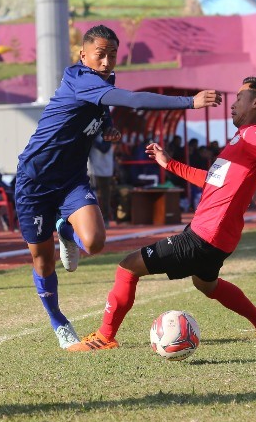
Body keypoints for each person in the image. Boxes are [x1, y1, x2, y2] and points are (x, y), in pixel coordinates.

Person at [67, 77, 256, 352]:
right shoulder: (242, 138)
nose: (233, 104)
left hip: (205, 236)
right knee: (206, 284)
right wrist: (169, 163)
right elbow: (212, 180)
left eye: (239, 98)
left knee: (128, 267)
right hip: (217, 238)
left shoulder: (255, 136)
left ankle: (104, 337)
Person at [15, 24, 223, 349]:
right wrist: (189, 102)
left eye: (112, 55)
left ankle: (65, 230)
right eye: (100, 54)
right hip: (35, 180)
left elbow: (103, 108)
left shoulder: (103, 80)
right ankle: (58, 321)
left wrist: (108, 127)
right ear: (83, 55)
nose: (107, 61)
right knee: (42, 260)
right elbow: (132, 98)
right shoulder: (81, 79)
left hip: (71, 179)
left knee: (96, 243)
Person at [88, 134, 115, 226]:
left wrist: (91, 140)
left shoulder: (106, 134)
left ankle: (106, 219)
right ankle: (93, 219)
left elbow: (104, 148)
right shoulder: (91, 136)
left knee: (105, 196)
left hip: (105, 170)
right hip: (92, 170)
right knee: (92, 194)